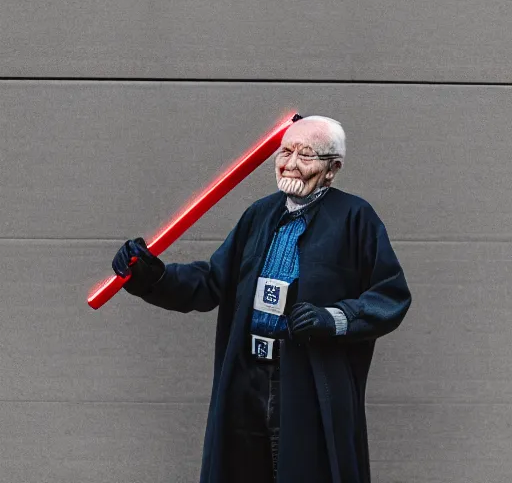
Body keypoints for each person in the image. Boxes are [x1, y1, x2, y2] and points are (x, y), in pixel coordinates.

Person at [112, 115, 412, 483]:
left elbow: (391, 295)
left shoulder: (355, 218)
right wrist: (151, 276)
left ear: (333, 168)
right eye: (285, 151)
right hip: (248, 378)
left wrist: (333, 318)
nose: (290, 163)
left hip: (308, 384)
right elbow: (211, 281)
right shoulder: (259, 215)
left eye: (306, 155)